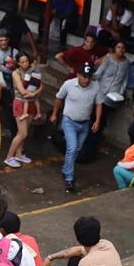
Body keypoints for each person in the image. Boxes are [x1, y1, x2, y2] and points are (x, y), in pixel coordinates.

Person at [51, 62, 102, 194]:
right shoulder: (68, 84)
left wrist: (97, 120)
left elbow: (98, 104)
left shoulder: (96, 86)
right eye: (84, 76)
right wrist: (54, 114)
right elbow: (58, 99)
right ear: (78, 75)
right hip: (69, 121)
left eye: (89, 77)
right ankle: (69, 178)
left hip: (84, 123)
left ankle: (65, 168)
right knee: (72, 148)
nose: (87, 79)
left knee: (77, 150)